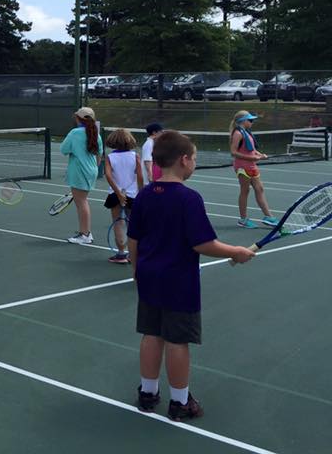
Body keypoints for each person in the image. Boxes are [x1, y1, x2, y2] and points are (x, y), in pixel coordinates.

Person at [128, 130, 255, 421]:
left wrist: (136, 270)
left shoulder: (145, 195)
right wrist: (236, 251)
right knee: (177, 340)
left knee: (151, 334)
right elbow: (202, 243)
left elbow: (133, 239)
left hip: (149, 277)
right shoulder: (189, 198)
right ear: (184, 160)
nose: (194, 163)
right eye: (194, 158)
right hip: (178, 281)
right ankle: (180, 402)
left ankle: (147, 394)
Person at [60, 106, 103, 244]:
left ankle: (85, 234)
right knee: (82, 202)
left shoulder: (74, 133)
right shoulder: (96, 133)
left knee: (81, 203)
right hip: (91, 171)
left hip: (79, 171)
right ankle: (85, 232)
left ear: (78, 119)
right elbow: (99, 156)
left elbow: (63, 149)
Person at [229, 111, 279, 229]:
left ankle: (268, 217)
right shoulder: (238, 133)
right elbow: (233, 152)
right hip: (242, 167)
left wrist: (260, 154)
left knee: (259, 189)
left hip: (252, 166)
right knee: (245, 191)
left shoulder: (247, 132)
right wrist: (252, 158)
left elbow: (251, 149)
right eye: (250, 120)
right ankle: (243, 219)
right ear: (243, 121)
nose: (252, 122)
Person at [103, 128, 143, 264]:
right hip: (133, 195)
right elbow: (140, 176)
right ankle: (133, 254)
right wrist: (141, 192)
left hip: (115, 195)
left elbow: (108, 176)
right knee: (133, 224)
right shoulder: (135, 156)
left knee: (118, 223)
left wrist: (118, 193)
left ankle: (121, 254)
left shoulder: (110, 157)